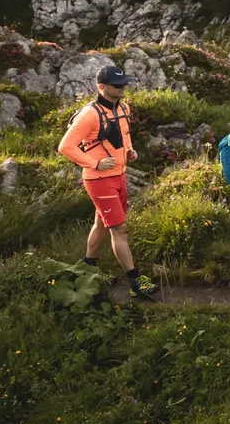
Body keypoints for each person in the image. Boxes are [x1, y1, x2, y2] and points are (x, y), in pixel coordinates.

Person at [58, 65, 159, 298]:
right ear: (102, 87)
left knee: (101, 223)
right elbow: (65, 146)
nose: (122, 88)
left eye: (124, 83)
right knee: (119, 229)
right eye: (117, 85)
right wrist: (93, 164)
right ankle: (135, 282)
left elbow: (124, 136)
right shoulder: (88, 114)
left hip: (119, 175)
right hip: (99, 180)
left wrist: (130, 151)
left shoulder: (123, 107)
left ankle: (88, 268)